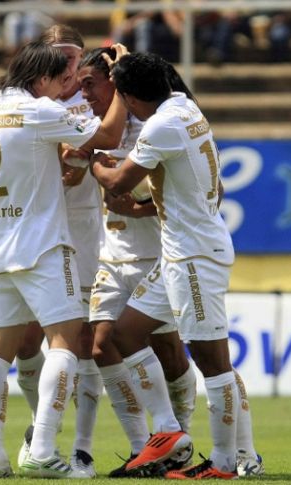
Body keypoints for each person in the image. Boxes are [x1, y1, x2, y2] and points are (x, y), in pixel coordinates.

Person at [0, 39, 128, 479]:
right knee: (66, 340)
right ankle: (42, 448)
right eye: (60, 80)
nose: (64, 89)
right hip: (41, 245)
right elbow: (109, 135)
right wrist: (120, 82)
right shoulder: (39, 111)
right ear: (40, 78)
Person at [91, 52, 248, 479]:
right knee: (125, 333)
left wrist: (94, 159)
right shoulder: (185, 107)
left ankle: (225, 461)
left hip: (194, 257)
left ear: (128, 98)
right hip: (179, 253)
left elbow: (118, 182)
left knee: (212, 361)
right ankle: (168, 432)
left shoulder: (162, 125)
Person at [77, 47, 197, 477]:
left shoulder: (158, 121)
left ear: (117, 84)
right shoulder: (93, 127)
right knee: (101, 344)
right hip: (113, 254)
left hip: (155, 253)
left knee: (170, 353)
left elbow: (192, 191)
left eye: (90, 83)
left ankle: (179, 435)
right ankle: (144, 442)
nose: (83, 93)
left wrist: (139, 208)